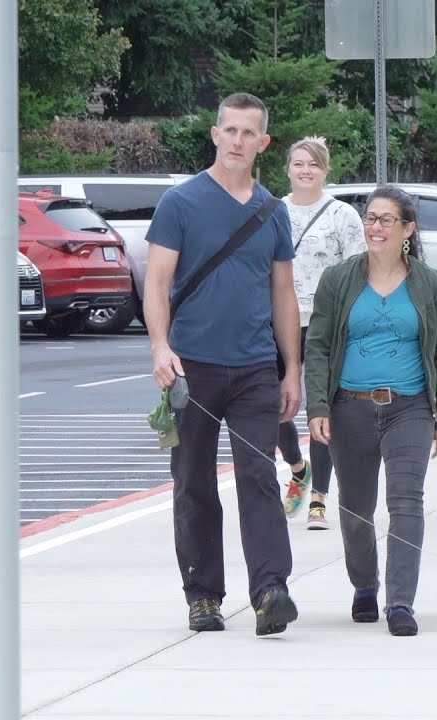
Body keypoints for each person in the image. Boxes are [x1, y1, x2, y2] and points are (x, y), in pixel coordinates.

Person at [144, 92, 300, 636]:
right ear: (215, 135)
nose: (237, 141)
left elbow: (284, 294)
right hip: (192, 370)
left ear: (264, 142)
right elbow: (157, 284)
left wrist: (292, 370)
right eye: (229, 131)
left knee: (259, 476)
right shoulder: (180, 203)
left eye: (248, 133)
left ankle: (271, 591)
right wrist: (160, 348)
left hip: (256, 368)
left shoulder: (274, 211)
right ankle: (203, 596)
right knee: (193, 483)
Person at [304, 184, 437, 637]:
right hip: (348, 406)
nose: (375, 227)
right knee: (355, 509)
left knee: (407, 502)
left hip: (409, 407)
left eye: (385, 219)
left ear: (408, 228)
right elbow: (317, 346)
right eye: (370, 218)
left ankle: (401, 602)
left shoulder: (430, 283)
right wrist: (317, 404)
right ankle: (365, 585)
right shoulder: (339, 278)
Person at [276, 136, 367, 530]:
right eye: (298, 163)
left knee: (320, 407)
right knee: (274, 404)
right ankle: (298, 468)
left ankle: (319, 498)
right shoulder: (272, 212)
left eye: (313, 163)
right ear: (288, 169)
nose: (305, 170)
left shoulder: (342, 215)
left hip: (325, 321)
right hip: (279, 319)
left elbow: (358, 269)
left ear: (325, 170)